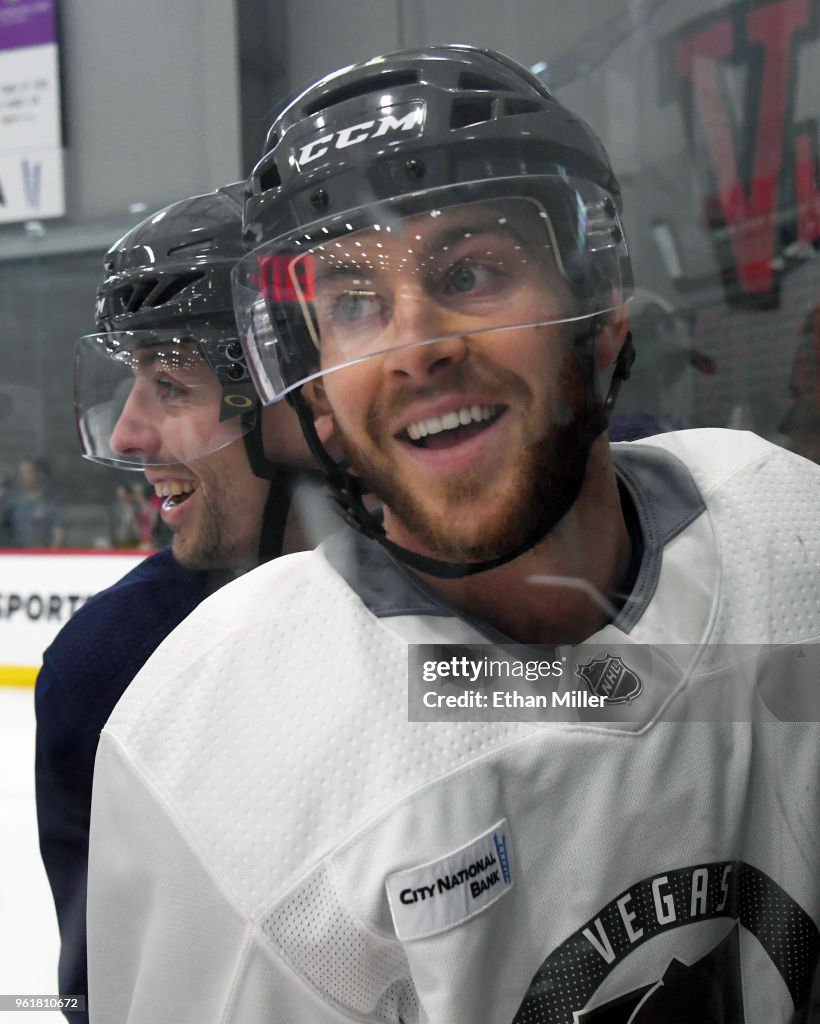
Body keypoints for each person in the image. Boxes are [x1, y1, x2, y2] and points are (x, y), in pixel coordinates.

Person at [87, 47, 820, 1023]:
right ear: (315, 392)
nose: (415, 348)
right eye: (352, 303)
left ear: (599, 317)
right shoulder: (221, 757)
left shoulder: (785, 523)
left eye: (470, 270)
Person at [35, 184, 329, 1023]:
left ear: (298, 404)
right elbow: (111, 994)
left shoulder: (479, 585)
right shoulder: (107, 670)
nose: (128, 436)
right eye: (135, 383)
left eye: (171, 384)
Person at [1, 455, 64, 547]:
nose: (23, 476)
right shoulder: (15, 504)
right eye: (21, 473)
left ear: (40, 474)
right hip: (16, 556)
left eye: (27, 472)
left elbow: (58, 533)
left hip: (40, 556)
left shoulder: (51, 503)